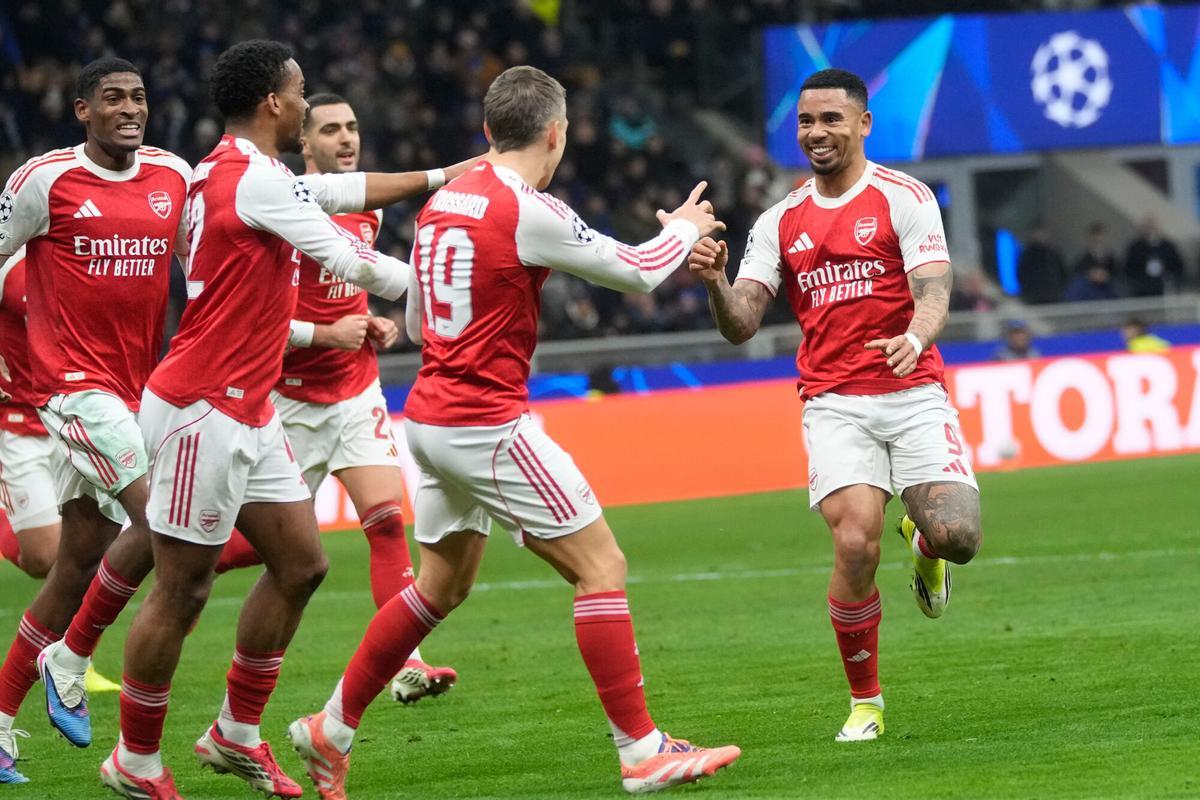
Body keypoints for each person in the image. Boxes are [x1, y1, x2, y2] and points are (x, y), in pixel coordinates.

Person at [287, 65, 740, 799]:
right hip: (484, 421)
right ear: (555, 133)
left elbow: (416, 319)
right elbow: (634, 272)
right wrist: (684, 230)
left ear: (489, 131)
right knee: (602, 568)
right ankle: (641, 751)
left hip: (427, 416)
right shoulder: (526, 206)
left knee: (439, 584)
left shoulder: (444, 202)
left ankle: (330, 729)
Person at [96, 40, 475, 800]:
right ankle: (133, 760)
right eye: (300, 91)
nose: (306, 103)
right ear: (275, 102)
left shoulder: (237, 171)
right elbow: (353, 261)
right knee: (184, 588)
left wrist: (444, 178)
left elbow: (341, 197)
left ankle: (233, 732)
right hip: (202, 407)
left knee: (301, 563)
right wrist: (446, 284)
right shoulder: (253, 180)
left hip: (248, 403)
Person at [687, 68, 982, 742]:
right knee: (854, 543)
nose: (816, 133)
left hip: (912, 393)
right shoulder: (779, 221)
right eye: (806, 122)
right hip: (834, 402)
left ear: (864, 124)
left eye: (831, 120)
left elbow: (934, 288)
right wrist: (714, 282)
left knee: (958, 538)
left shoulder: (903, 198)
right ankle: (867, 703)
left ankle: (926, 545)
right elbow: (741, 323)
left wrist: (914, 334)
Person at [217, 92, 458, 703]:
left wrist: (372, 322)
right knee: (254, 548)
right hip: (288, 401)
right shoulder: (281, 207)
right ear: (305, 143)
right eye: (330, 130)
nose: (346, 139)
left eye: (352, 127)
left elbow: (348, 289)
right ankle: (176, 557)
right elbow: (258, 317)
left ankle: (407, 662)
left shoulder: (367, 211)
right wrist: (325, 333)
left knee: (385, 522)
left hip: (354, 390)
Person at [0, 57, 192, 785]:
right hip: (73, 391)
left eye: (138, 97)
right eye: (112, 98)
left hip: (139, 391)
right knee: (164, 523)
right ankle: (71, 657)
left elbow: (204, 266)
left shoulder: (172, 178)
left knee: (78, 561)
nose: (129, 109)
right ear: (82, 109)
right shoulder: (43, 181)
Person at [1123, 217, 1184, 297]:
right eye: (1149, 226)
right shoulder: (1136, 247)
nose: (1151, 229)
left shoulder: (1168, 246)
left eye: (1153, 226)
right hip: (1142, 286)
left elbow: (1177, 266)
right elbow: (1129, 268)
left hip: (1163, 285)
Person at [1065, 221, 1119, 302]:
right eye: (1096, 240)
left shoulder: (1110, 258)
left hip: (1106, 292)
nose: (1099, 242)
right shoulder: (1083, 258)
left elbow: (1116, 273)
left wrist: (1106, 276)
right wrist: (1090, 275)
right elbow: (1077, 273)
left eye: (1101, 239)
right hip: (1089, 293)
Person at [1016, 222, 1068, 305]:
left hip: (1054, 297)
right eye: (1039, 233)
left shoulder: (1052, 253)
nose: (1042, 236)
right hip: (1035, 299)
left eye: (1044, 233)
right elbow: (1022, 275)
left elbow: (1062, 273)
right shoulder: (1027, 255)